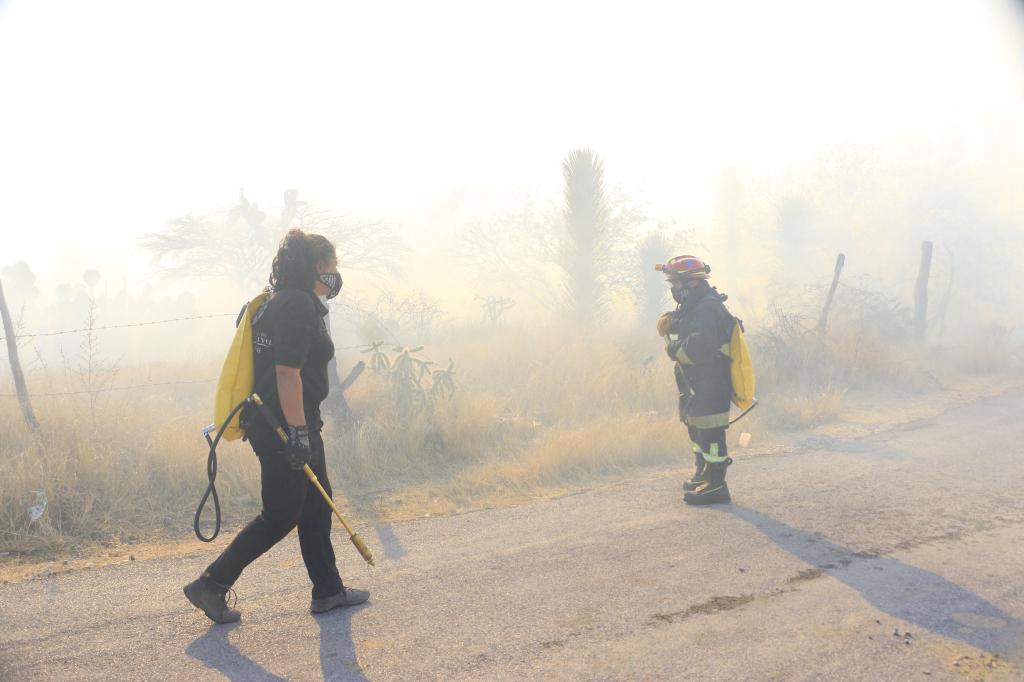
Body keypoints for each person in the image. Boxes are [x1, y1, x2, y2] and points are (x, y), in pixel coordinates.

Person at [184, 229, 369, 624]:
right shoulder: (298, 306)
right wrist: (299, 435)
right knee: (281, 515)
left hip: (286, 422)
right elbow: (287, 373)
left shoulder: (276, 301)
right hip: (285, 428)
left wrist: (304, 429)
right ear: (317, 267)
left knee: (318, 504)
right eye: (331, 267)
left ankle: (329, 590)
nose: (335, 275)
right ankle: (211, 584)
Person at [657, 255, 735, 505]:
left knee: (711, 435)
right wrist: (673, 321)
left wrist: (671, 348)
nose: (673, 290)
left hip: (711, 384)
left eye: (675, 284)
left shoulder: (707, 308)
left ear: (689, 283)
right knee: (697, 431)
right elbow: (689, 322)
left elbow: (698, 349)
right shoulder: (697, 304)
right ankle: (703, 474)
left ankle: (717, 485)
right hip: (697, 385)